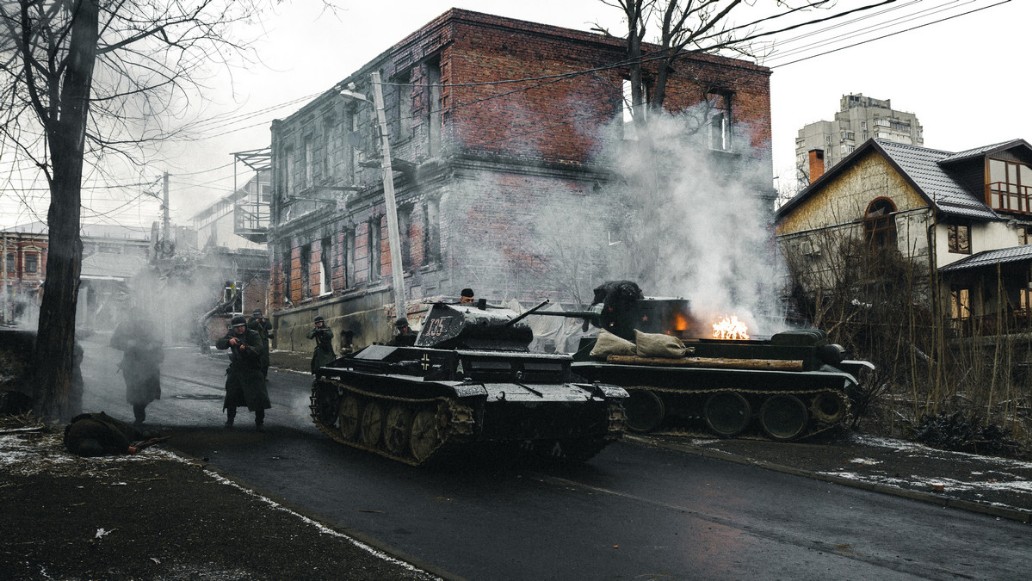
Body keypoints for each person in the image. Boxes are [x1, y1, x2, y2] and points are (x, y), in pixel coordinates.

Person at [216, 315, 271, 431]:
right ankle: (230, 420)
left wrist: (246, 348)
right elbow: (219, 344)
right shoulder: (232, 334)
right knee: (231, 396)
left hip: (252, 369)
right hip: (237, 369)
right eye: (237, 327)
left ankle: (259, 422)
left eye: (241, 326)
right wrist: (228, 342)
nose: (239, 329)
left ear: (245, 326)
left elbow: (258, 349)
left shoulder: (253, 334)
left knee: (259, 397)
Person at [109, 310, 164, 425]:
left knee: (151, 391)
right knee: (136, 393)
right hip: (132, 365)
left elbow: (159, 339)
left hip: (150, 364)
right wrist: (127, 343)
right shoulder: (125, 326)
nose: (139, 319)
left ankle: (140, 410)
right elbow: (114, 341)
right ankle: (139, 417)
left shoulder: (150, 325)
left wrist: (153, 345)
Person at [247, 308, 273, 378]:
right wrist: (256, 321)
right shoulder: (252, 320)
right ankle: (257, 375)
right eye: (256, 315)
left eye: (259, 315)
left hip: (264, 342)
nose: (258, 316)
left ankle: (264, 375)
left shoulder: (264, 320)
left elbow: (270, 327)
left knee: (265, 360)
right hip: (255, 342)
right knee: (256, 358)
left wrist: (265, 321)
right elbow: (249, 326)